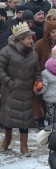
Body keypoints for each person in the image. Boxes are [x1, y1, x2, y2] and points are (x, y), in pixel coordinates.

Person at [0, 22, 42, 156]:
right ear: (20, 39)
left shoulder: (33, 53)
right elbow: (0, 69)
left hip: (27, 91)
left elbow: (37, 71)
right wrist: (10, 83)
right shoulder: (6, 51)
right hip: (11, 90)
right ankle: (7, 140)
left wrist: (38, 82)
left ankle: (24, 146)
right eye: (29, 38)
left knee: (25, 119)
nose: (31, 40)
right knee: (9, 117)